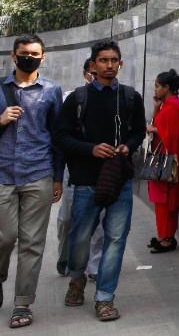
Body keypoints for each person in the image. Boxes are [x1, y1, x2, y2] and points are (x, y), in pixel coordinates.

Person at [55, 40, 145, 323]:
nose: (109, 65)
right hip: (85, 181)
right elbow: (61, 137)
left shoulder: (131, 97)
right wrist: (90, 149)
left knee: (115, 239)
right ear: (93, 65)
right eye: (103, 60)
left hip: (119, 181)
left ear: (121, 63)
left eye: (114, 60)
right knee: (80, 238)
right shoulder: (77, 99)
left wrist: (128, 146)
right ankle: (77, 277)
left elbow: (139, 132)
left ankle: (105, 297)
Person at [0, 34, 64, 329]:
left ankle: (22, 303)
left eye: (35, 54)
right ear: (13, 56)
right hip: (2, 174)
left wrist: (58, 177)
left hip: (38, 173)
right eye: (24, 53)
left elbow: (58, 136)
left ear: (43, 57)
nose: (29, 58)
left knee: (32, 242)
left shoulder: (51, 91)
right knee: (5, 237)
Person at [55, 59, 103, 280]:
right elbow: (59, 136)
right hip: (72, 168)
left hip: (101, 169)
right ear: (86, 74)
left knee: (99, 219)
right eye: (93, 72)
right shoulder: (71, 98)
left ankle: (94, 266)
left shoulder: (116, 98)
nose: (97, 76)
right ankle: (65, 255)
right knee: (67, 218)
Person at [146, 69, 179, 253]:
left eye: (157, 86)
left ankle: (167, 238)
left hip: (167, 160)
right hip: (162, 159)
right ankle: (164, 236)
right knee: (161, 200)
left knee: (165, 200)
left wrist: (154, 130)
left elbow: (172, 135)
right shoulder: (167, 105)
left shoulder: (174, 107)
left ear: (167, 87)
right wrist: (156, 109)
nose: (155, 89)